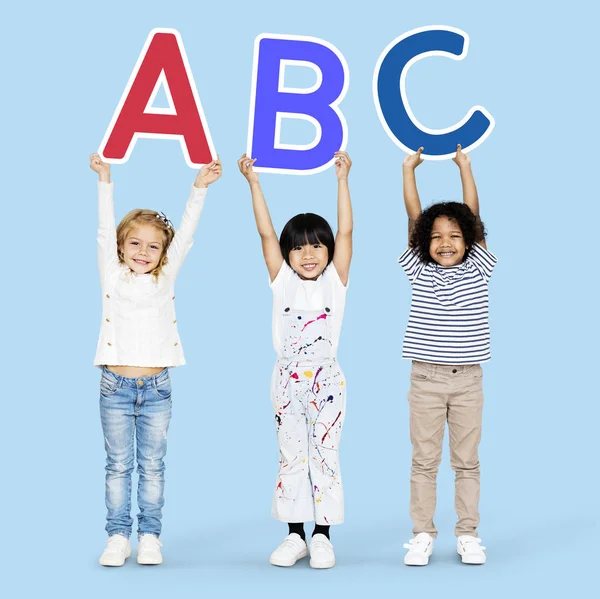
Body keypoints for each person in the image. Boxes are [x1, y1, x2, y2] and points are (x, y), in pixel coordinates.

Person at [89, 153, 221, 566]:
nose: (143, 252)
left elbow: (186, 234)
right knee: (117, 466)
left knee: (152, 466)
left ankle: (149, 535)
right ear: (121, 247)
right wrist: (105, 179)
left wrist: (199, 187)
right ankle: (117, 536)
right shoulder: (111, 274)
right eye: (134, 243)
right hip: (115, 386)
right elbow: (103, 228)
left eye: (153, 246)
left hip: (157, 387)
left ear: (163, 252)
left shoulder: (166, 276)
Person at [238, 151, 353, 569]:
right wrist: (253, 182)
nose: (309, 254)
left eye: (317, 246)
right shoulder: (282, 280)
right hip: (286, 379)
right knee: (291, 455)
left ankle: (323, 536)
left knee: (325, 452)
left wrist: (342, 180)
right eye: (299, 247)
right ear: (287, 254)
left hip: (327, 381)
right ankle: (295, 535)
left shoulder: (336, 282)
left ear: (329, 251)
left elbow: (347, 228)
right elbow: (266, 233)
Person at [399, 145, 497, 566]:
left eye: (455, 237)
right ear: (424, 242)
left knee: (467, 461)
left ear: (469, 242)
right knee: (423, 460)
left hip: (468, 381)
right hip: (426, 380)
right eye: (436, 236)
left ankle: (468, 534)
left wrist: (465, 168)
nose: (445, 243)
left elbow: (472, 217)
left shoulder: (479, 266)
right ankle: (422, 534)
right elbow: (412, 217)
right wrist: (409, 172)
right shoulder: (418, 267)